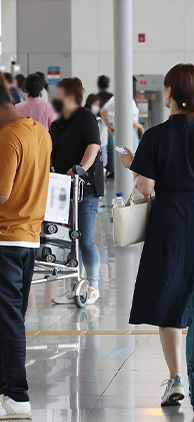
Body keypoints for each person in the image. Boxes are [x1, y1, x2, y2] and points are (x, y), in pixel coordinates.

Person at [118, 63, 194, 407]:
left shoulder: (154, 136)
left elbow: (145, 187)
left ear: (169, 93)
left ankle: (175, 379)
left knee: (169, 296)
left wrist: (134, 166)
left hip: (168, 219)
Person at [0, 77, 52, 419]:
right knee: (11, 317)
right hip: (30, 237)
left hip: (5, 237)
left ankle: (16, 395)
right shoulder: (40, 133)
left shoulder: (8, 137)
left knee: (8, 321)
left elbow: (3, 194)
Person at [48, 78, 105, 305]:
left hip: (84, 188)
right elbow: (51, 148)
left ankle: (92, 285)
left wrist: (78, 170)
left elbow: (93, 145)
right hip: (63, 188)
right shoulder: (58, 122)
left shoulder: (85, 117)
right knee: (70, 239)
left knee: (85, 239)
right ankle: (75, 285)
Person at [101, 77, 145, 149]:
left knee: (121, 155)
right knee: (130, 156)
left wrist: (109, 126)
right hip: (129, 133)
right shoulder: (128, 100)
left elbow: (103, 112)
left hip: (118, 133)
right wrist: (140, 127)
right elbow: (128, 119)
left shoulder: (115, 98)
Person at [84, 94, 109, 170]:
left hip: (103, 144)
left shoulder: (102, 117)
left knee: (102, 164)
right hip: (90, 144)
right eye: (95, 104)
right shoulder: (85, 116)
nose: (96, 107)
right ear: (89, 103)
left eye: (98, 105)